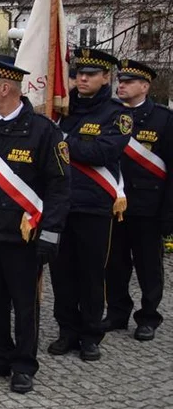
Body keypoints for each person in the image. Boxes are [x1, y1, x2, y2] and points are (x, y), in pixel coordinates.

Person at [0, 56, 70, 394]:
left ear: (6, 88)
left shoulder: (44, 131)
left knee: (24, 303)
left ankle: (23, 364)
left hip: (23, 235)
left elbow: (60, 187)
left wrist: (51, 233)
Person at [49, 48, 131, 362]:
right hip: (61, 203)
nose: (82, 78)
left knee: (92, 273)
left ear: (105, 77)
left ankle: (90, 334)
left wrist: (62, 141)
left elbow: (103, 153)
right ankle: (67, 330)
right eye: (78, 73)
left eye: (90, 74)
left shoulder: (116, 114)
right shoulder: (61, 109)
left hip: (94, 205)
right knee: (62, 272)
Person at [104, 59, 171, 342]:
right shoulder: (108, 115)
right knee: (114, 263)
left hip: (148, 207)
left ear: (145, 86)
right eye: (120, 80)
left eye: (129, 82)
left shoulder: (164, 119)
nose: (122, 85)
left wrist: (168, 212)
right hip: (113, 204)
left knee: (148, 264)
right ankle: (118, 312)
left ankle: (148, 316)